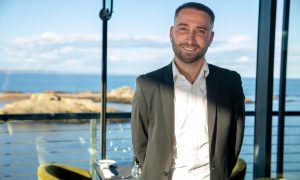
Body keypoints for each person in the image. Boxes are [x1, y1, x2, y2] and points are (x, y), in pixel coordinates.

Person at [131, 2, 245, 180]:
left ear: (211, 37)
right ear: (171, 33)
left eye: (200, 31)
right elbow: (140, 145)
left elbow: (234, 142)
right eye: (183, 29)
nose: (190, 39)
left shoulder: (230, 82)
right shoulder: (147, 84)